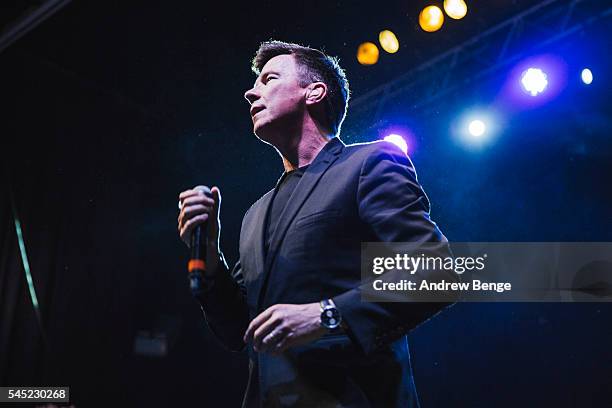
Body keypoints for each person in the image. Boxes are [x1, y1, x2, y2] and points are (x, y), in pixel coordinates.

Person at [177, 41, 457, 407]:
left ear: (314, 91)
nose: (250, 92)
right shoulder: (255, 215)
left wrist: (330, 315)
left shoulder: (369, 164)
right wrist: (211, 254)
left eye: (269, 79)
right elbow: (236, 330)